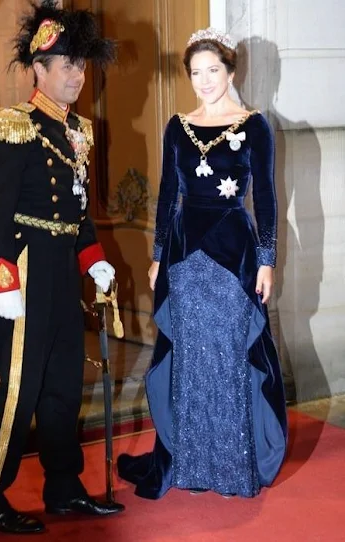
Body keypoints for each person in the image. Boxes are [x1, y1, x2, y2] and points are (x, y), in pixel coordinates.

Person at [0, 1, 122, 535]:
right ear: (39, 68)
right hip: (26, 271)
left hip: (62, 273)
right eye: (66, 66)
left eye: (81, 65)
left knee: (63, 385)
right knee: (20, 387)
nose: (77, 76)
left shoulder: (78, 130)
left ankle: (64, 488)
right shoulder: (13, 125)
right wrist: (1, 279)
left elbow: (78, 213)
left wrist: (95, 262)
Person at [117, 27, 288, 500]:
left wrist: (268, 261)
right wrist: (157, 256)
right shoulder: (178, 126)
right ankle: (191, 463)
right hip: (184, 257)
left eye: (214, 70)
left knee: (230, 358)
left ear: (231, 71)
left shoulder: (255, 126)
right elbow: (168, 196)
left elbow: (268, 200)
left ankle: (233, 467)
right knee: (190, 359)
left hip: (235, 256)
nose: (206, 80)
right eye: (196, 73)